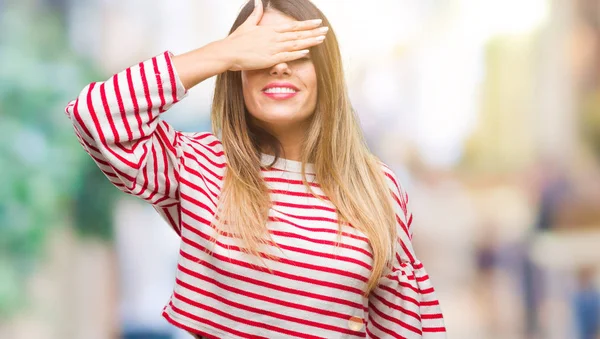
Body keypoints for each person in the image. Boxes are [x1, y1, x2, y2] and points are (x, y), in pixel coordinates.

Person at [64, 0, 447, 337]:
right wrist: (221, 53)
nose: (279, 66)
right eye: (260, 55)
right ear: (238, 74)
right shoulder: (198, 167)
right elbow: (94, 115)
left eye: (297, 53)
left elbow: (406, 323)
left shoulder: (377, 185)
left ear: (325, 73)